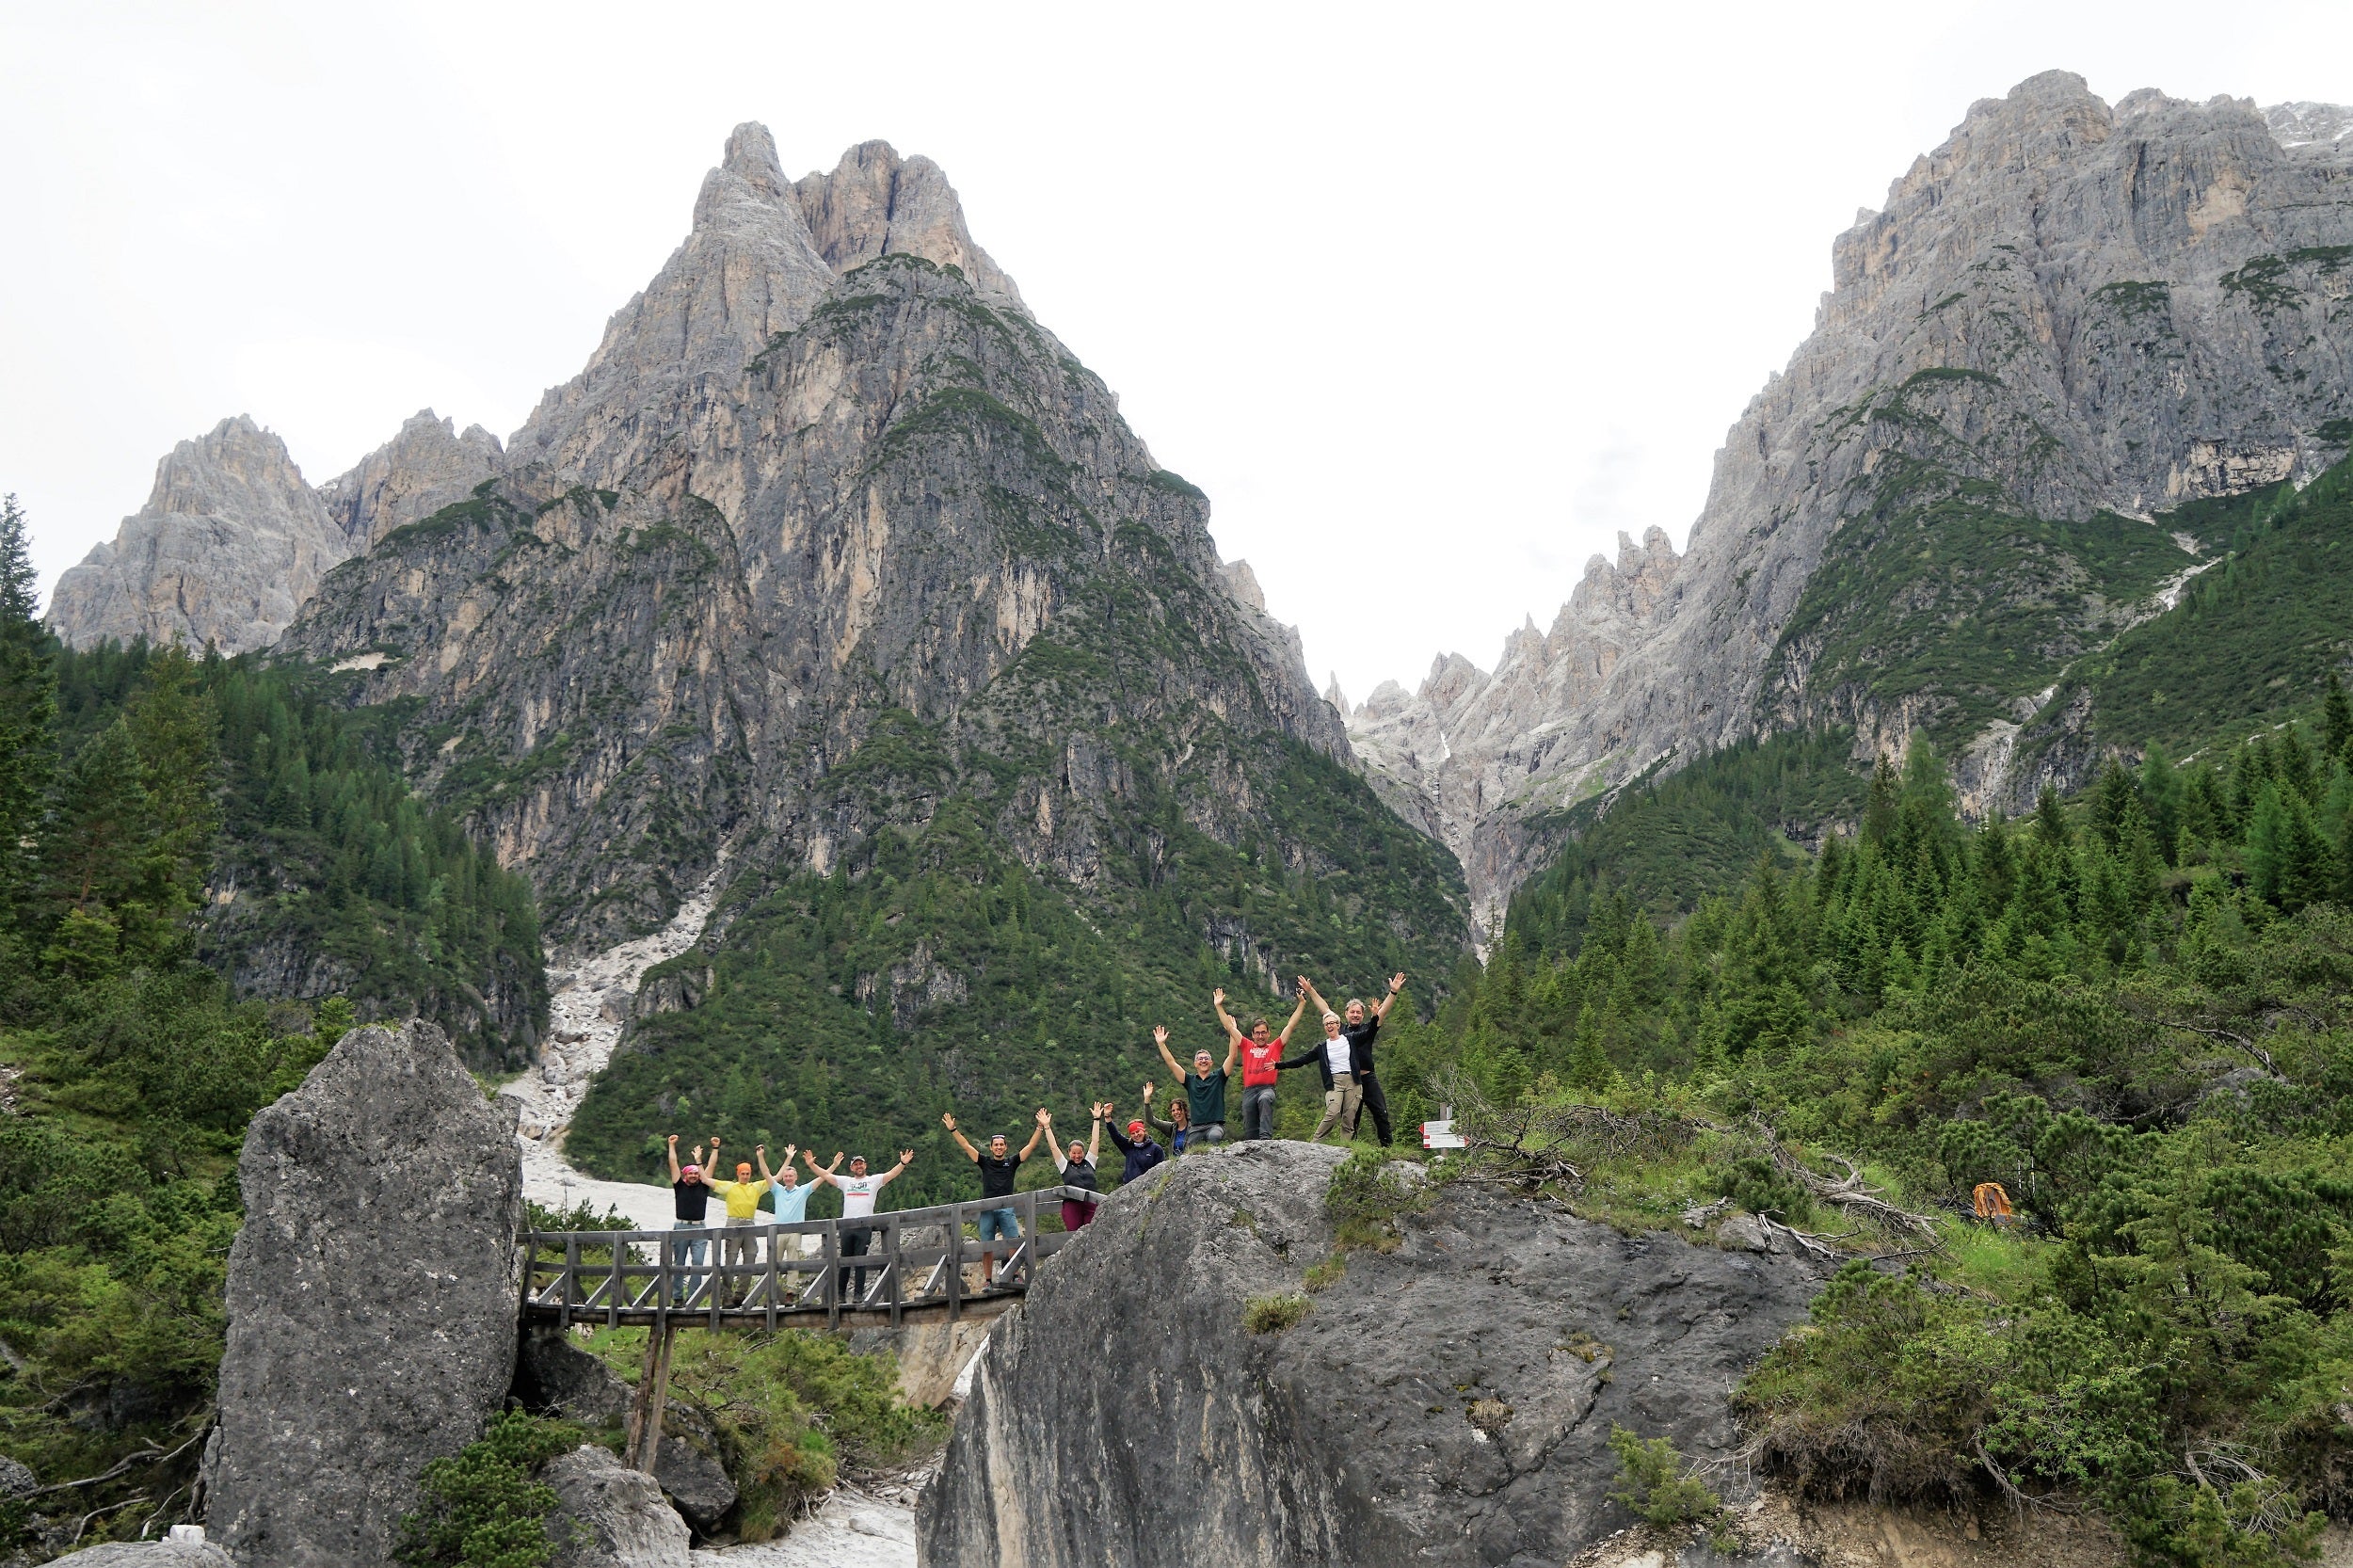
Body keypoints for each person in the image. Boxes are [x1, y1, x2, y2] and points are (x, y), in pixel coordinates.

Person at [943, 1109, 1046, 1288]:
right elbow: (966, 1146)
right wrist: (953, 1130)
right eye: (996, 1145)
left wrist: (1040, 1127)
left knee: (1013, 1241)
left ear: (1005, 1147)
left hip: (1007, 1208)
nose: (998, 1147)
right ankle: (988, 1281)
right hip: (987, 1208)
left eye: (1001, 1145)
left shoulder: (1011, 1163)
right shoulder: (985, 1162)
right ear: (991, 1148)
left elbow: (1030, 1147)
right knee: (987, 1245)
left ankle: (1014, 1275)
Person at [1301, 973, 1406, 1144]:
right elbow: (1325, 1009)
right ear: (1346, 1014)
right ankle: (1349, 1149)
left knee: (1381, 1112)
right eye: (1352, 1012)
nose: (1355, 1015)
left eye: (1358, 1012)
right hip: (1351, 1080)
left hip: (1368, 1078)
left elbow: (1382, 1012)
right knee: (1351, 1118)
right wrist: (1310, 990)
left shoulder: (1368, 1029)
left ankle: (1387, 1147)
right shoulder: (1340, 1029)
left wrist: (1393, 992)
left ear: (1363, 1015)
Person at [806, 1146, 914, 1304]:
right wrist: (811, 1165)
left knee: (861, 1261)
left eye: (861, 1164)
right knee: (844, 1260)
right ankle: (840, 1295)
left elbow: (891, 1174)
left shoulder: (873, 1181)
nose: (859, 1166)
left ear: (865, 1165)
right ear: (851, 1168)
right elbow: (826, 1175)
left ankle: (858, 1295)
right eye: (856, 1164)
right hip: (846, 1226)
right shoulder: (846, 1182)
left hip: (864, 1226)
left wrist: (902, 1163)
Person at [1215, 982, 1308, 1141]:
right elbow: (1230, 1027)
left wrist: (1301, 1004)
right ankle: (1252, 1144)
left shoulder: (1275, 1046)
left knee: (1265, 1099)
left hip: (1267, 1088)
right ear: (1252, 1035)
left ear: (1268, 1034)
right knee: (1250, 1126)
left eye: (1263, 1033)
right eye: (1257, 1033)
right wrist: (1219, 1006)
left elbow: (1290, 1025)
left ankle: (1266, 1138)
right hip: (1249, 1090)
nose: (1260, 1036)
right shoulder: (1246, 1045)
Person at [702, 1138, 776, 1305]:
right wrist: (704, 1158)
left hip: (750, 1223)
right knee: (731, 1258)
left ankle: (740, 1295)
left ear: (750, 1174)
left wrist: (762, 1156)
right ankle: (726, 1296)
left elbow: (774, 1178)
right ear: (738, 1174)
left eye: (747, 1173)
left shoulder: (756, 1187)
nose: (745, 1176)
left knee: (750, 1256)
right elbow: (706, 1180)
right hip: (733, 1222)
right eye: (743, 1173)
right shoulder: (730, 1186)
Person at [1153, 1022, 1236, 1147]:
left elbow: (1232, 1056)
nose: (1203, 1060)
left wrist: (1232, 1031)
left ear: (1211, 1063)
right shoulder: (1190, 1080)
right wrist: (1161, 1044)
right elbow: (1172, 1063)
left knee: (1214, 1137)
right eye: (1200, 1059)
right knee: (1188, 1147)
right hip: (1196, 1128)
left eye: (1206, 1058)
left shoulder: (1219, 1077)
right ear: (1195, 1064)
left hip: (1215, 1125)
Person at [664, 1134, 713, 1304]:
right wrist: (671, 1145)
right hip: (681, 1226)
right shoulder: (679, 1186)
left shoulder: (704, 1186)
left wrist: (715, 1149)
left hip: (699, 1228)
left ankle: (693, 1298)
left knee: (698, 1263)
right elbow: (673, 1163)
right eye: (690, 1173)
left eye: (696, 1173)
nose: (694, 1175)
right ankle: (678, 1297)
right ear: (685, 1175)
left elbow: (711, 1166)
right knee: (679, 1262)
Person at [1045, 1106, 1105, 1231]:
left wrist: (1096, 1119)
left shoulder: (1090, 1162)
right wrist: (1047, 1126)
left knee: (1092, 1233)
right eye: (1074, 1153)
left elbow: (1095, 1141)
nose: (1077, 1156)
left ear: (1083, 1152)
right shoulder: (1064, 1165)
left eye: (1079, 1153)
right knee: (1073, 1233)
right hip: (1072, 1204)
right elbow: (1054, 1147)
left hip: (1091, 1203)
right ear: (1069, 1153)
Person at [763, 1144, 815, 1262]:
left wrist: (833, 1165)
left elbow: (823, 1177)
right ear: (783, 1178)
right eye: (786, 1176)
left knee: (794, 1263)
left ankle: (792, 1277)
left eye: (790, 1176)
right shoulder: (777, 1190)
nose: (788, 1178)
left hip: (795, 1232)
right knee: (773, 1263)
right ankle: (773, 1277)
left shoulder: (803, 1190)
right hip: (778, 1231)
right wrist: (761, 1156)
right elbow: (766, 1174)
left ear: (796, 1177)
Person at [1102, 1089, 1167, 1182]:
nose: (1136, 1135)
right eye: (1133, 1133)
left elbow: (1161, 1171)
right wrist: (1107, 1117)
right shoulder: (1128, 1147)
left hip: (1149, 1187)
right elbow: (1115, 1135)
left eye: (1138, 1131)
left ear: (1144, 1131)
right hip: (1129, 1187)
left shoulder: (1156, 1149)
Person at [1145, 1081, 1195, 1154]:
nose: (1176, 1112)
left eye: (1179, 1109)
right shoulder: (1171, 1128)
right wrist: (1147, 1100)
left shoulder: (1194, 1127)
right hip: (1175, 1161)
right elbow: (1151, 1120)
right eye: (1173, 1110)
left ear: (1185, 1110)